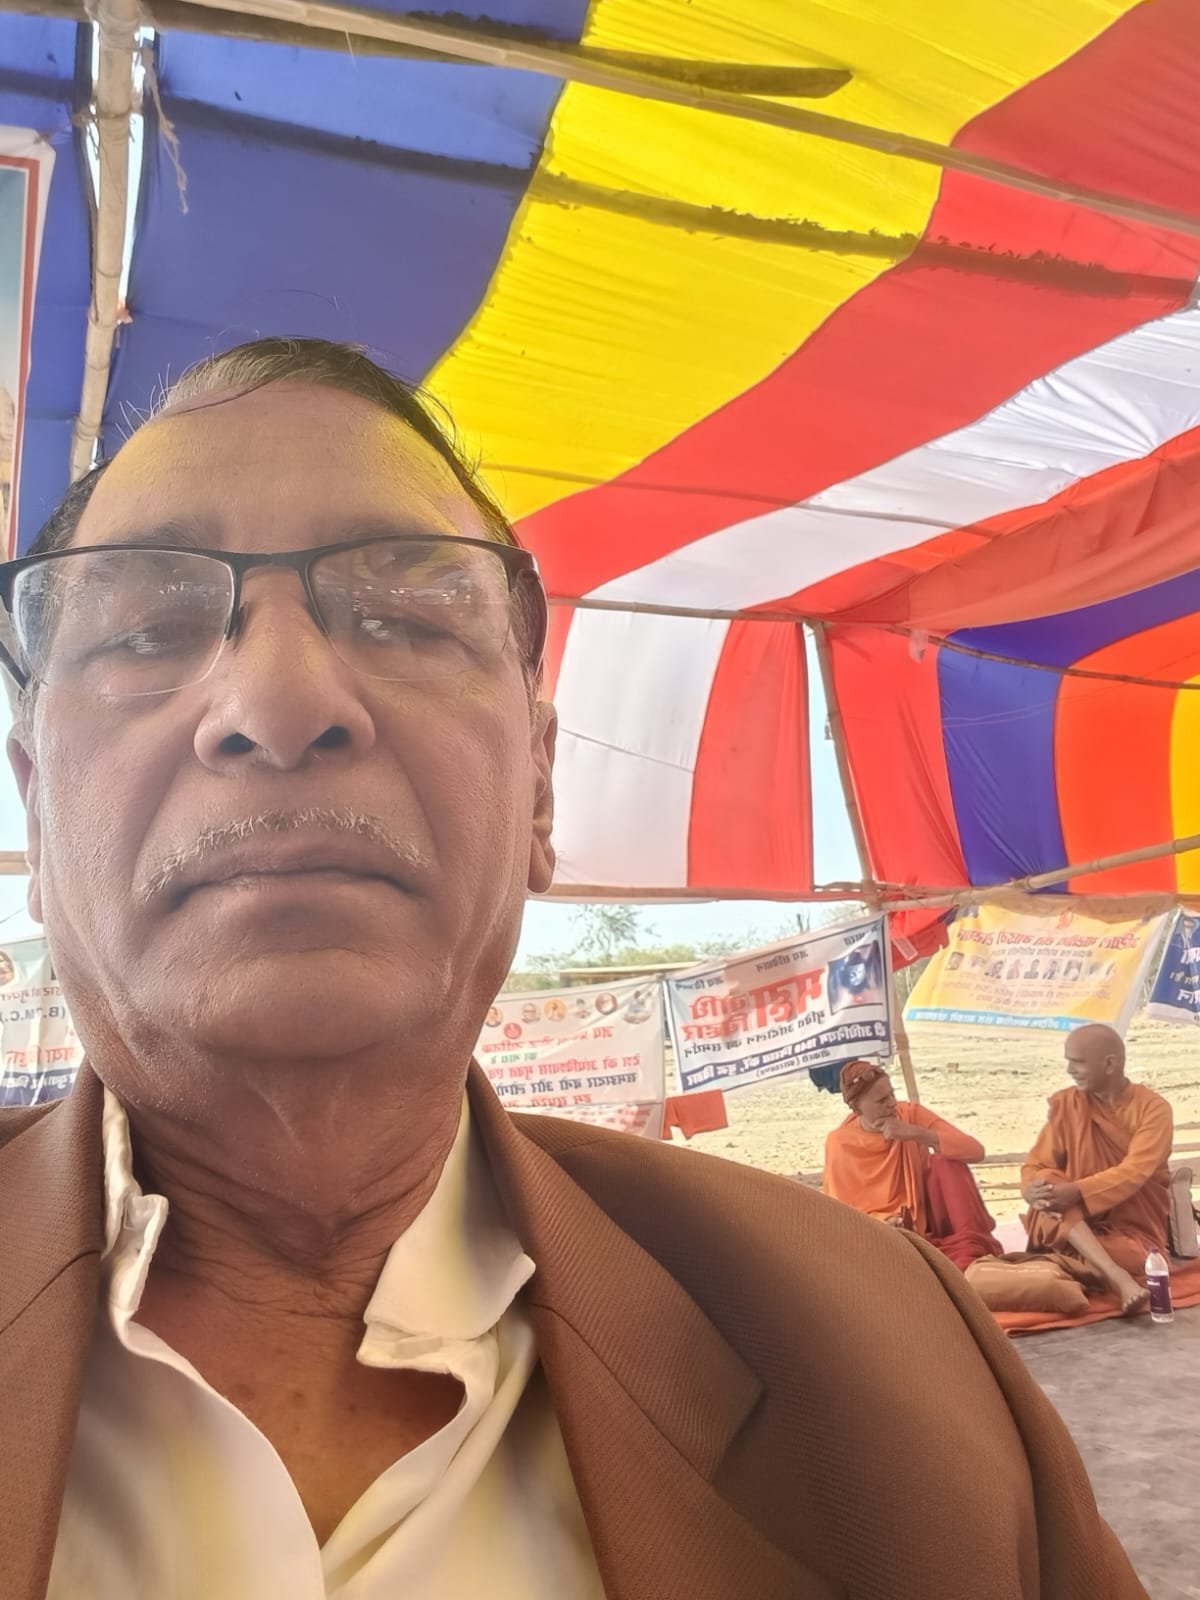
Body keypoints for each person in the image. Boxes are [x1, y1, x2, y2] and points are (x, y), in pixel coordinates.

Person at [0, 339, 1146, 1600]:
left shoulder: (898, 1359)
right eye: (149, 629)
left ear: (540, 788)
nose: (276, 701)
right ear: (36, 806)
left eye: (399, 616)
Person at [1022, 1022, 1172, 1315]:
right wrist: (1031, 1190)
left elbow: (1135, 1171)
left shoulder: (1153, 1109)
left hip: (1129, 1231)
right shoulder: (1069, 1105)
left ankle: (1059, 1265)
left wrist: (1077, 1191)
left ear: (1110, 1064)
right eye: (1068, 1061)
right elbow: (1036, 1164)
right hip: (1073, 1219)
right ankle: (1116, 1277)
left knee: (1138, 1259)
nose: (1070, 1070)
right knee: (1046, 1180)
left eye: (1078, 1062)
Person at [823, 1061, 1003, 1271]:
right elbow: (844, 1213)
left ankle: (969, 1250)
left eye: (891, 1094)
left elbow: (975, 1151)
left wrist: (916, 1133)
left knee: (945, 1164)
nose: (892, 1103)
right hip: (881, 1234)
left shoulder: (910, 1115)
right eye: (881, 1100)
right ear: (856, 1108)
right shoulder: (840, 1143)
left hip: (927, 1219)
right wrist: (883, 1222)